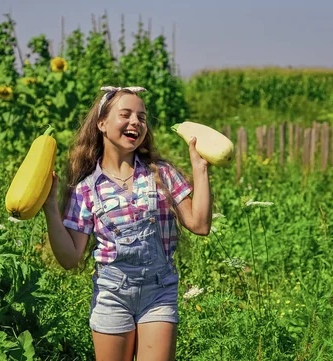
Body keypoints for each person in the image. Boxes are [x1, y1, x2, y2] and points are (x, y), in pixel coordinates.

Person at [42, 86, 212, 361]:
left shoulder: (161, 174)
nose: (136, 122)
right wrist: (50, 208)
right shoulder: (86, 188)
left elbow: (200, 224)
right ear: (102, 124)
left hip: (159, 291)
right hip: (112, 295)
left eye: (142, 117)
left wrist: (200, 168)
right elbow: (70, 258)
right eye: (126, 115)